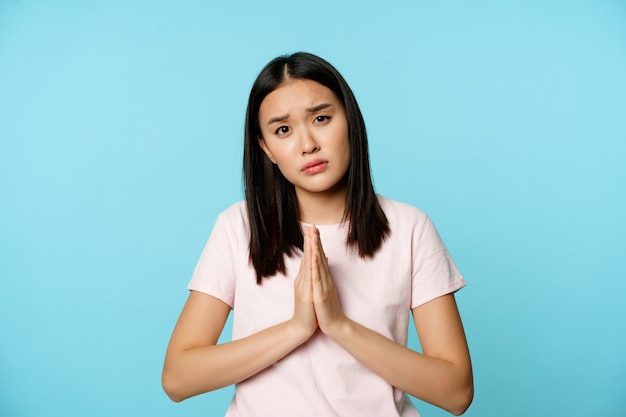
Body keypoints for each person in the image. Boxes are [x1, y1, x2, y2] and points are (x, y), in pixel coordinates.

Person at [162, 52, 473, 417]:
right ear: (267, 149)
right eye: (283, 130)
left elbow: (456, 392)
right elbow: (178, 378)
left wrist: (339, 326)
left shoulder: (409, 228)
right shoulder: (238, 227)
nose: (307, 144)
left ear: (350, 121)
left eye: (321, 118)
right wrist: (297, 328)